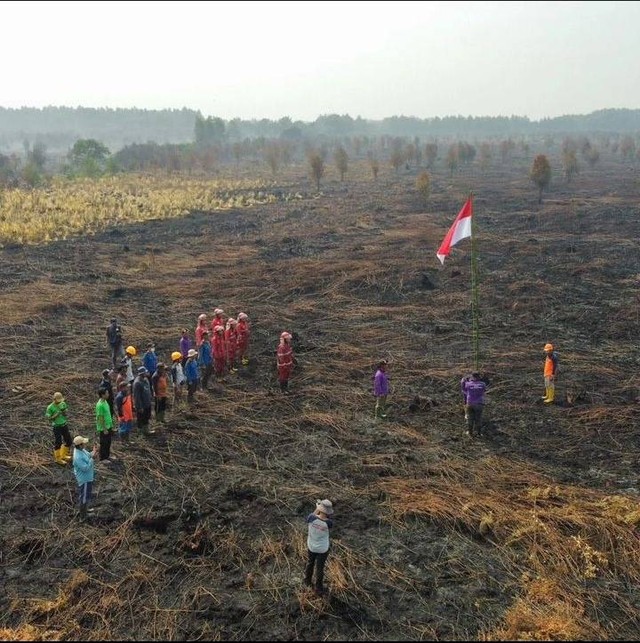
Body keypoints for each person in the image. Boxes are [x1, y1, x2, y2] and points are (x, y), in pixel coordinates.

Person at [304, 499, 334, 595]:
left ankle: (307, 581)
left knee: (310, 563)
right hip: (322, 549)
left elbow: (312, 516)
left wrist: (317, 508)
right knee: (320, 568)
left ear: (320, 509)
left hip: (311, 546)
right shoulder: (329, 523)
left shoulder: (311, 518)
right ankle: (319, 588)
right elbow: (325, 519)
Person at [72, 435, 98, 522]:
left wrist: (94, 452)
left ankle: (86, 510)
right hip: (84, 479)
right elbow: (85, 468)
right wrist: (92, 459)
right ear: (79, 445)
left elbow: (89, 455)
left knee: (87, 495)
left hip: (88, 477)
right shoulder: (77, 457)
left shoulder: (81, 450)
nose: (85, 445)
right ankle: (82, 516)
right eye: (83, 443)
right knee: (84, 497)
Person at [45, 391, 73, 465]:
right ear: (54, 399)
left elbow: (66, 414)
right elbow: (49, 419)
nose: (59, 402)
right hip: (56, 426)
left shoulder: (63, 404)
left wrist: (63, 411)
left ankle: (63, 455)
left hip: (64, 424)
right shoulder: (50, 407)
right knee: (58, 442)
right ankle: (58, 458)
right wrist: (56, 415)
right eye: (58, 401)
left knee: (69, 440)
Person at [462, 372, 487, 437]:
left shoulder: (468, 384)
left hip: (470, 403)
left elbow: (464, 390)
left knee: (470, 418)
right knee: (478, 418)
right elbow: (484, 390)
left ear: (472, 377)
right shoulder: (483, 384)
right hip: (479, 403)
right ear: (479, 377)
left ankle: (470, 433)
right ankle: (479, 433)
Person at [96, 387, 116, 463]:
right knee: (104, 443)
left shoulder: (105, 401)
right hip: (104, 428)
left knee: (108, 442)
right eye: (107, 393)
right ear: (102, 395)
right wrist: (104, 429)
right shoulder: (100, 405)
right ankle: (103, 458)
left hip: (108, 426)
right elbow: (100, 418)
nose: (108, 394)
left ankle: (107, 455)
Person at [133, 366, 154, 435]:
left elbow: (149, 390)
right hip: (142, 405)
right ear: (142, 373)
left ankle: (146, 430)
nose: (147, 373)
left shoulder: (146, 380)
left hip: (147, 403)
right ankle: (140, 432)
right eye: (145, 372)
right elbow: (137, 397)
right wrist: (139, 407)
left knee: (147, 417)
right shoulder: (137, 383)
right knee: (141, 419)